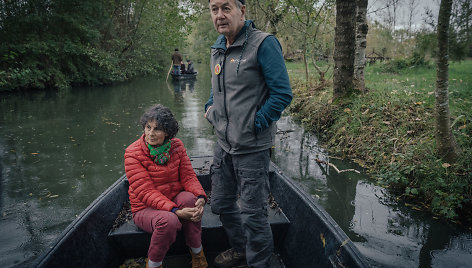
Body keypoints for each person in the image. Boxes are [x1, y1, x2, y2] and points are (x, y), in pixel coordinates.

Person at [204, 0, 292, 267]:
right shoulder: (218, 49)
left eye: (226, 7)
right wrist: (210, 109)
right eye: (214, 9)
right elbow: (216, 90)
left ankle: (259, 263)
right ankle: (241, 249)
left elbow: (282, 94)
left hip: (252, 148)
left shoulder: (263, 44)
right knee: (220, 203)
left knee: (254, 216)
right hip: (223, 145)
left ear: (242, 10)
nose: (219, 15)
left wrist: (255, 123)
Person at [124, 104, 208, 268]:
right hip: (145, 208)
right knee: (168, 221)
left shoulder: (177, 146)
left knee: (191, 200)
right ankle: (154, 264)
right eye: (148, 127)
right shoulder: (132, 153)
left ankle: (197, 254)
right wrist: (175, 211)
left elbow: (188, 176)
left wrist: (200, 196)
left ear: (168, 132)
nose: (150, 133)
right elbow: (145, 192)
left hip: (172, 200)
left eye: (157, 129)